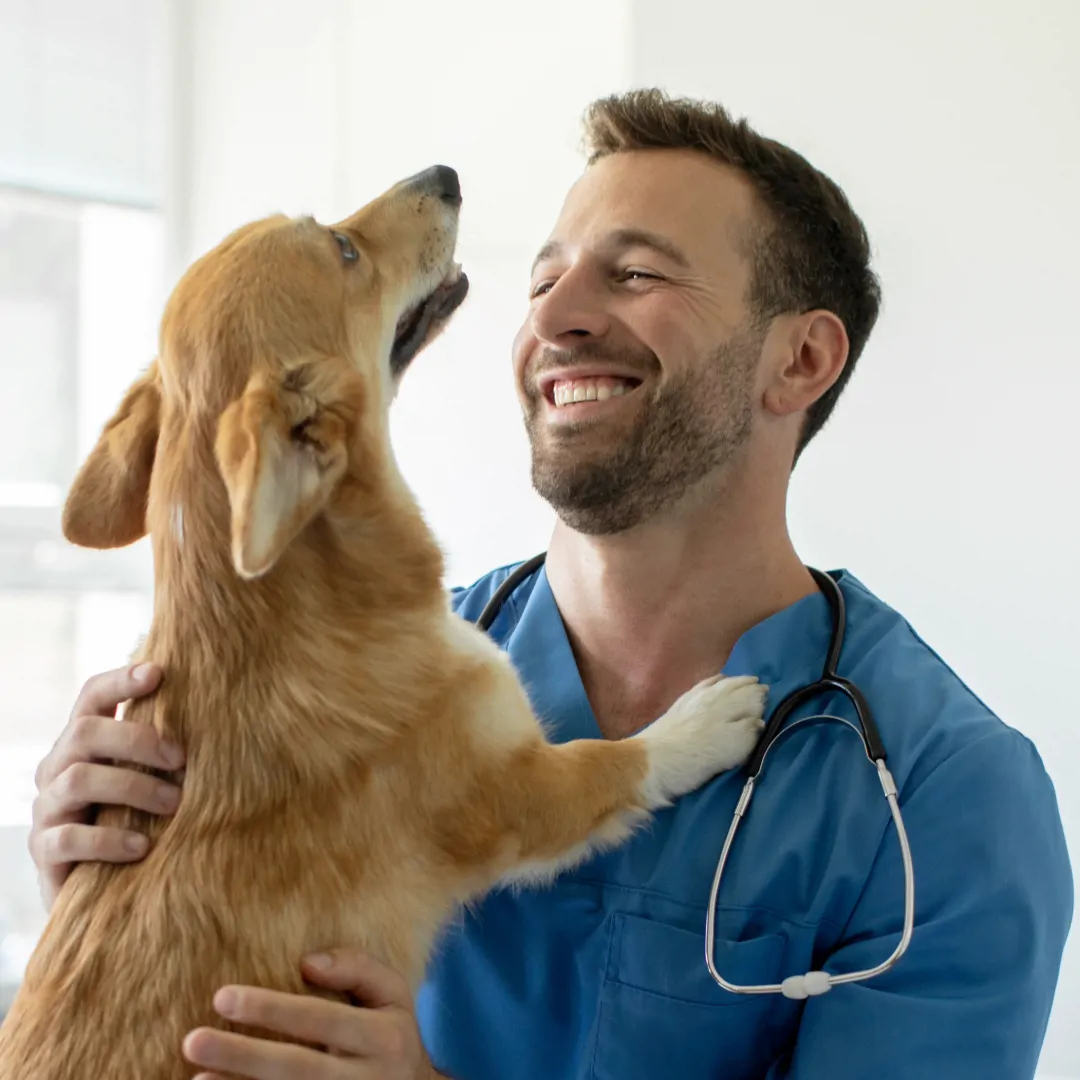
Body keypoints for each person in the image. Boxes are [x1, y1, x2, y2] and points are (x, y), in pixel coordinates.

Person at [27, 89, 1072, 1080]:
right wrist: (121, 898)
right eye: (542, 280)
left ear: (799, 361)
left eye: (635, 276)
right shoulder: (339, 698)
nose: (555, 319)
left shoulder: (948, 801)